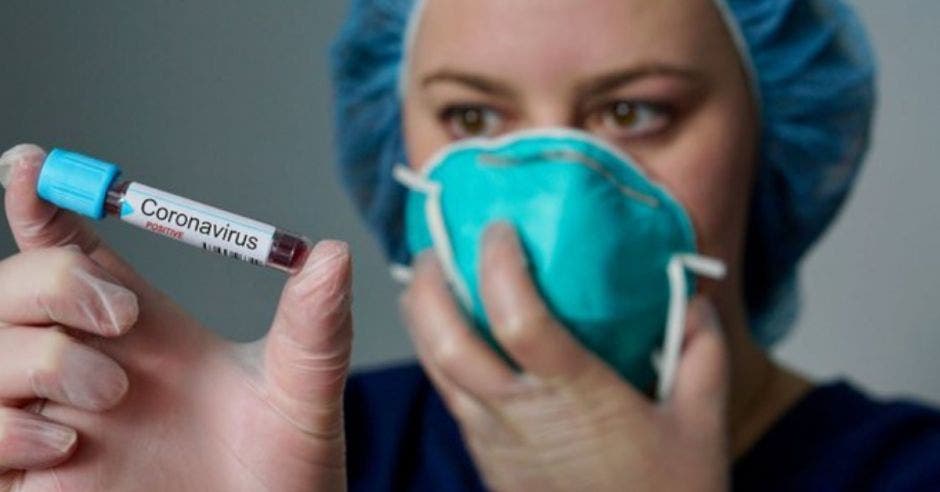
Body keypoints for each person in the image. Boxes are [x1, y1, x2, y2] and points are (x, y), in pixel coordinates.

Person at [0, 2, 936, 492]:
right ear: (396, 140)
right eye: (474, 115)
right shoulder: (302, 449)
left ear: (773, 131)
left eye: (631, 110)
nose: (554, 185)